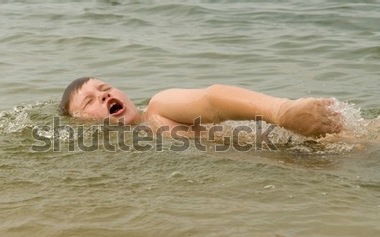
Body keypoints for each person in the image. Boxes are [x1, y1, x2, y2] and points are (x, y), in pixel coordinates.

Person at [59, 77, 342, 138]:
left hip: (309, 141)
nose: (104, 96)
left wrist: (281, 112)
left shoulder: (159, 109)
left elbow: (213, 99)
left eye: (106, 89)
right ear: (79, 121)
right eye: (90, 100)